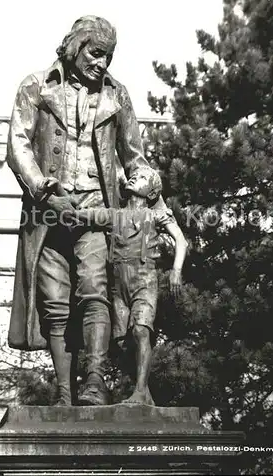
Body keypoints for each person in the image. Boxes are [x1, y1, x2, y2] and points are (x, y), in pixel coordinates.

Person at [6, 16, 155, 406]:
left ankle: (94, 381)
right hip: (49, 210)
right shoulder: (36, 86)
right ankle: (62, 392)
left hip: (95, 211)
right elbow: (18, 146)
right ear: (74, 47)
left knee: (94, 292)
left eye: (108, 56)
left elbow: (135, 158)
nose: (102, 63)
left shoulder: (116, 95)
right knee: (54, 301)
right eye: (95, 52)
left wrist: (143, 183)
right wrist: (43, 191)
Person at [73, 167, 188, 405]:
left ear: (153, 192)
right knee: (121, 342)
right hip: (119, 285)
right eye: (135, 175)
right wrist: (59, 205)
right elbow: (80, 215)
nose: (135, 177)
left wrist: (176, 271)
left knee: (140, 330)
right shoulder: (114, 215)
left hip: (143, 279)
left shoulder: (157, 215)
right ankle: (144, 392)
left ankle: (140, 391)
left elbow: (181, 240)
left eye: (143, 177)